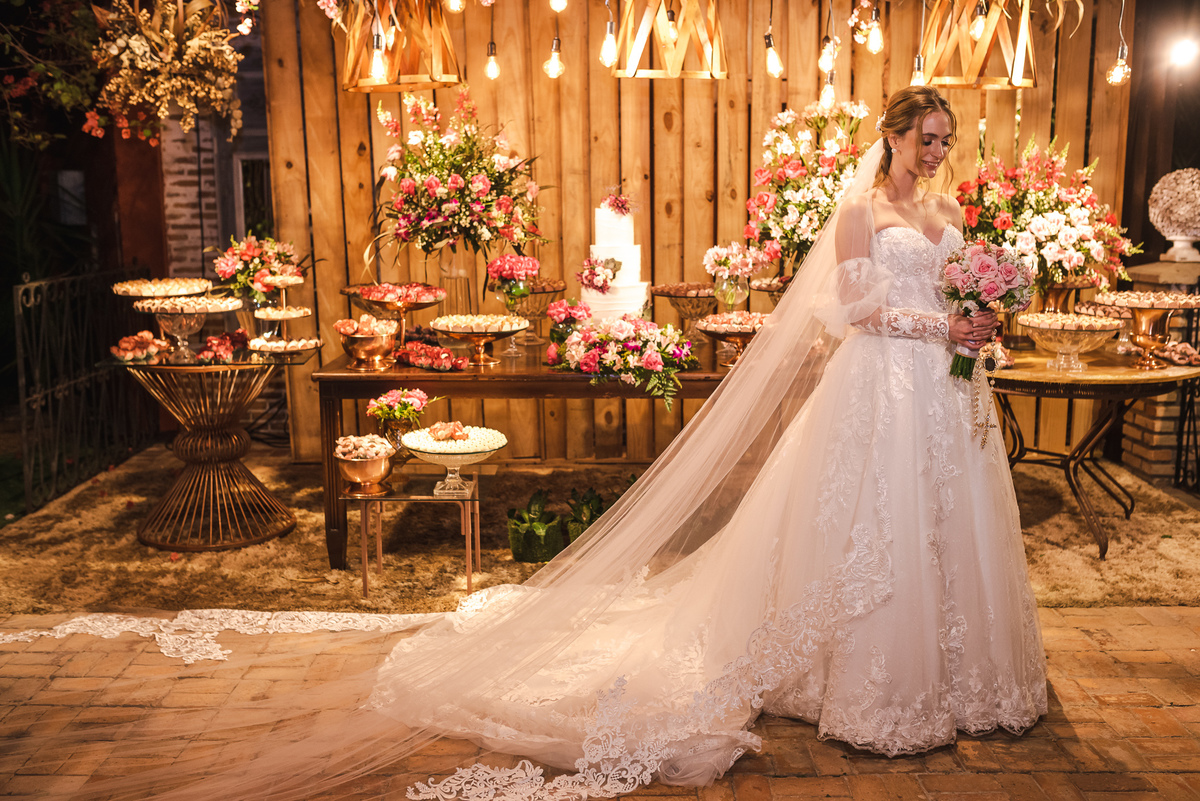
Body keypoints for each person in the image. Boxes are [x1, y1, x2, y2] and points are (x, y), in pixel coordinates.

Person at [6, 86, 1046, 800]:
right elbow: (851, 306)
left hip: (942, 396)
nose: (939, 151)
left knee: (948, 527)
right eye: (927, 136)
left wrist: (980, 319)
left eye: (948, 137)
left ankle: (963, 679)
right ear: (895, 135)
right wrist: (934, 323)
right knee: (871, 529)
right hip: (883, 382)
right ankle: (866, 682)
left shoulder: (949, 208)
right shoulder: (862, 210)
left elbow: (954, 283)